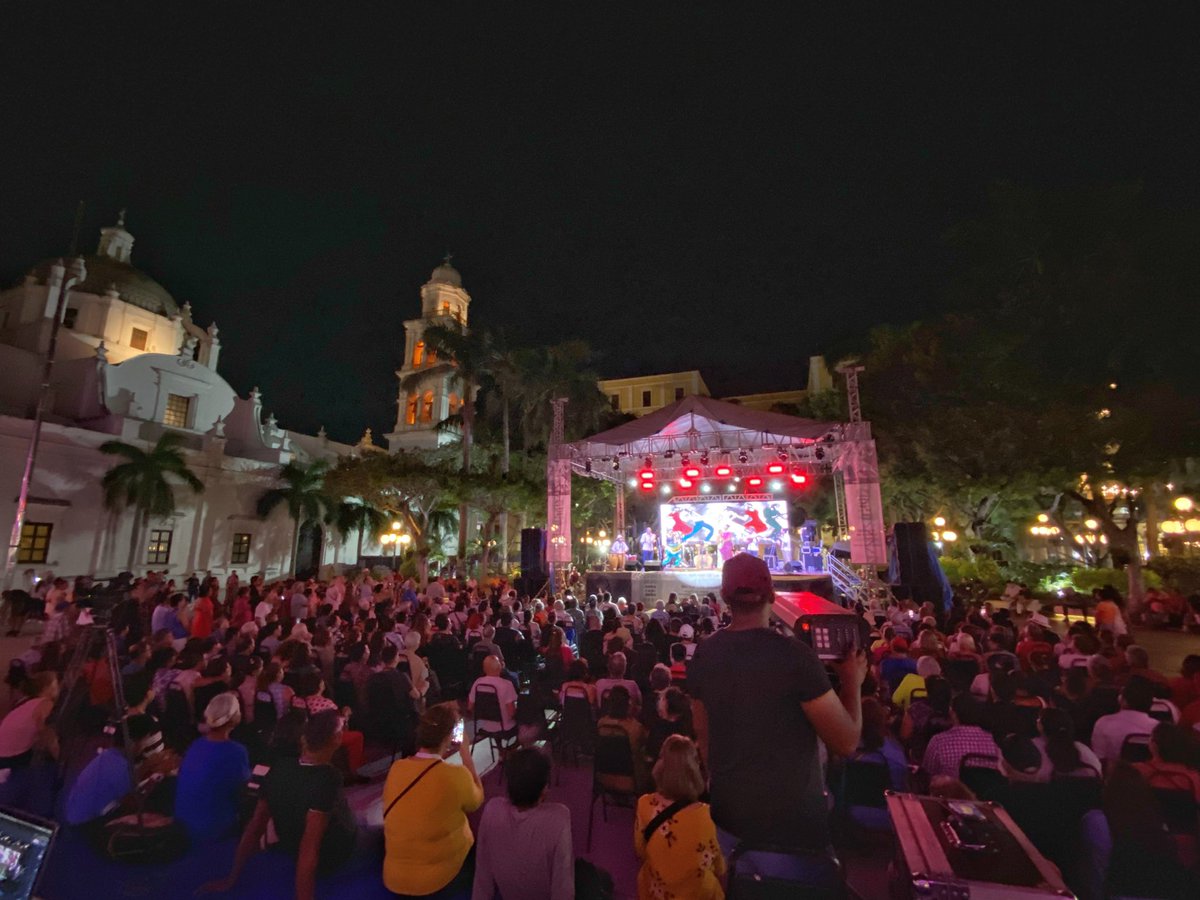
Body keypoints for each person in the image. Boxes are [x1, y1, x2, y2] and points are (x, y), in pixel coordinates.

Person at [689, 554, 865, 853]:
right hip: (793, 825)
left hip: (728, 814)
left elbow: (705, 743)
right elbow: (846, 742)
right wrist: (852, 682)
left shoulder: (704, 655)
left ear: (723, 596)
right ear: (772, 594)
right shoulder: (796, 656)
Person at [199, 711, 362, 900]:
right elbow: (310, 847)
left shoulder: (280, 766)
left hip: (290, 847)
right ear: (336, 738)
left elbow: (255, 826)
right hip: (331, 855)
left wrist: (231, 878)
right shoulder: (328, 777)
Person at [382, 705, 483, 896]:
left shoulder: (397, 768)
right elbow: (476, 801)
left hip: (394, 877)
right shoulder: (454, 775)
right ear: (450, 737)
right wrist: (466, 756)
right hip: (437, 879)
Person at [473, 747, 573, 900]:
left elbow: (482, 871)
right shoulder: (559, 816)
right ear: (544, 788)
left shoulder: (492, 808)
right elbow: (563, 884)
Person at [634, 735, 726, 900]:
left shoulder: (645, 805)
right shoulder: (709, 815)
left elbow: (640, 850)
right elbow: (720, 868)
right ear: (694, 770)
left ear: (661, 766)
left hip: (656, 893)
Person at [173, 693, 250, 842]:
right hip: (213, 827)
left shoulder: (195, 745)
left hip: (183, 820)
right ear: (234, 718)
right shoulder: (236, 751)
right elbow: (242, 789)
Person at [920, 694, 1002, 779]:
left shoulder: (938, 742)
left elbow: (926, 775)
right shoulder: (994, 741)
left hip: (948, 791)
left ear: (953, 714)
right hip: (985, 791)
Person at [1091, 676, 1159, 769]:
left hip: (1114, 779)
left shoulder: (1103, 723)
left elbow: (1099, 759)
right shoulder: (1158, 729)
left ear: (1122, 699)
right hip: (1149, 779)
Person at [468, 655, 518, 735]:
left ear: (484, 669)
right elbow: (511, 712)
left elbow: (470, 707)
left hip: (485, 726)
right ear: (500, 668)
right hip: (506, 727)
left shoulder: (478, 683)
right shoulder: (507, 684)